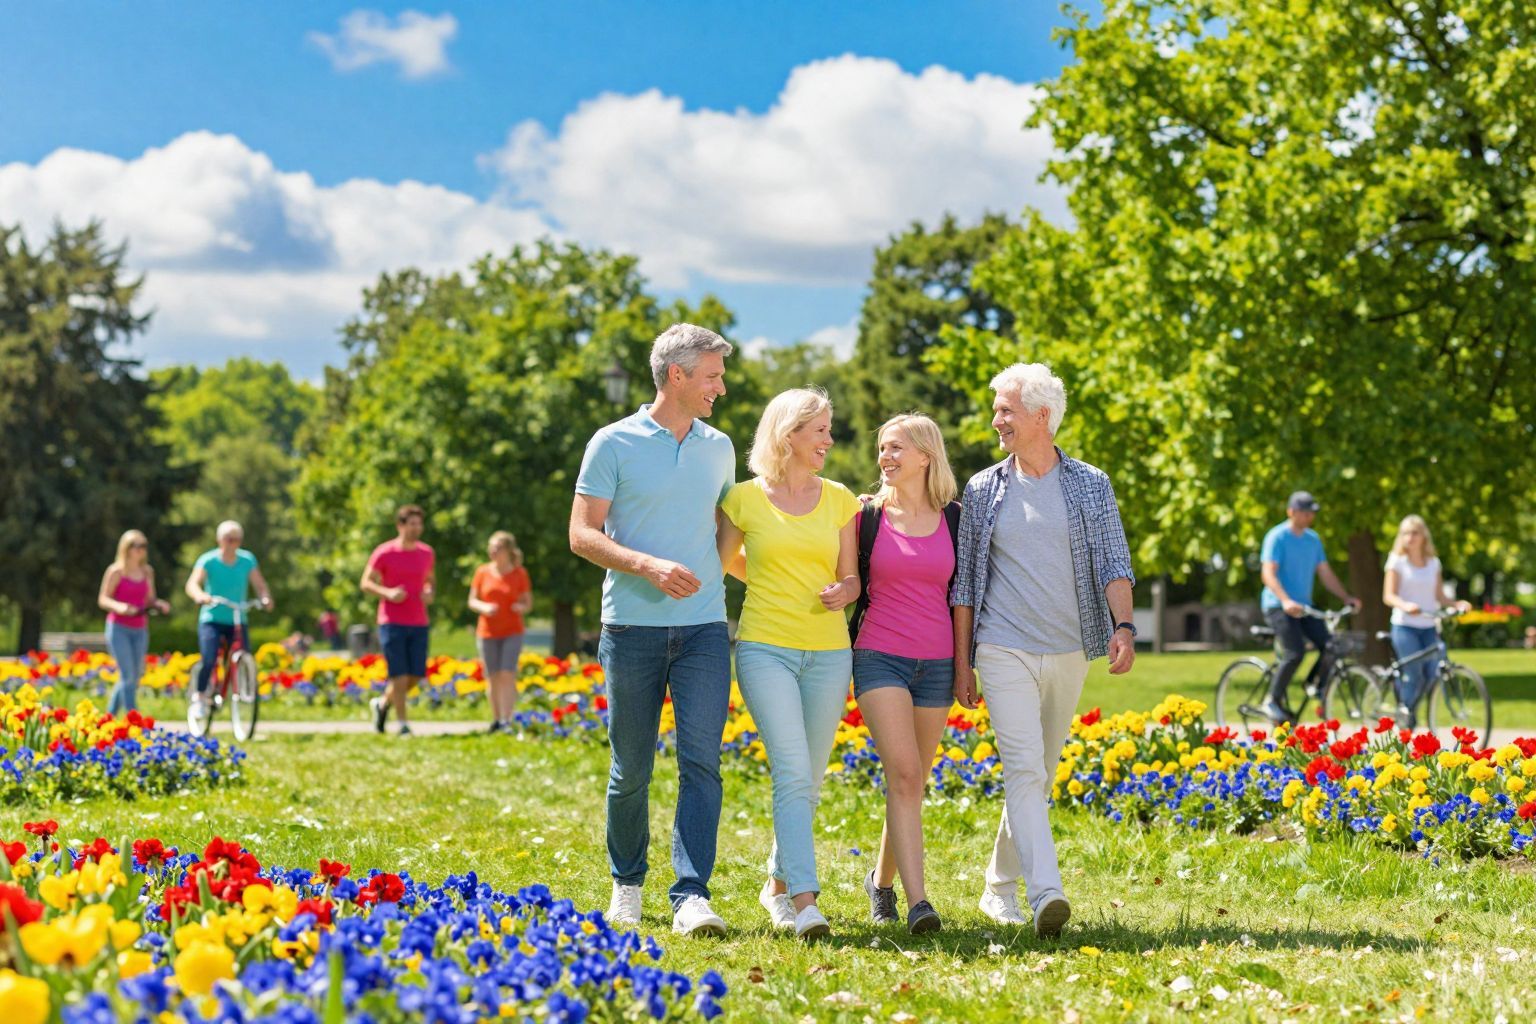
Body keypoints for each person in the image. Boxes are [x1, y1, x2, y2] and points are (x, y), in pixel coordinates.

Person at [951, 363, 1136, 938]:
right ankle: (1046, 894)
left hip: (1068, 648)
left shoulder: (1090, 483)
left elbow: (1114, 560)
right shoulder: (984, 488)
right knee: (1024, 767)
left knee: (1039, 774)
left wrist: (1124, 625)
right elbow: (964, 585)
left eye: (1005, 410)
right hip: (1002, 645)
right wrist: (964, 660)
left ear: (1041, 416)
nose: (995, 419)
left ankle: (998, 887)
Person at [570, 323, 736, 938]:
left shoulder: (719, 446)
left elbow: (725, 523)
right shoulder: (612, 443)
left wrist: (715, 576)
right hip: (631, 626)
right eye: (713, 375)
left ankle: (691, 894)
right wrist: (646, 564)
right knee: (630, 767)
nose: (720, 387)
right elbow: (581, 534)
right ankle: (628, 886)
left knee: (702, 762)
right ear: (678, 375)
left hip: (702, 630)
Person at [717, 387, 861, 940]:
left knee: (810, 779)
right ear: (788, 434)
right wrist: (771, 579)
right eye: (819, 429)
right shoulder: (745, 499)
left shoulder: (840, 499)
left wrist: (843, 590)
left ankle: (775, 885)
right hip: (765, 648)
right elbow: (721, 561)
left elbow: (851, 576)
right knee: (793, 771)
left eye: (828, 428)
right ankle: (805, 902)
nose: (829, 438)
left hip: (829, 652)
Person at [848, 414, 960, 935]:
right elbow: (843, 577)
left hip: (936, 665)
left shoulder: (955, 518)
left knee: (911, 782)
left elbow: (963, 597)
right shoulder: (864, 516)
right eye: (881, 448)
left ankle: (880, 882)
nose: (884, 457)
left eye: (895, 448)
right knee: (907, 774)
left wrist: (965, 666)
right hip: (879, 656)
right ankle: (920, 904)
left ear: (925, 455)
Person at [1258, 492, 1361, 722]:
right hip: (1278, 605)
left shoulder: (1312, 540)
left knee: (1332, 646)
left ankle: (1315, 686)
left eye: (1311, 513)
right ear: (1291, 512)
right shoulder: (1277, 537)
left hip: (1304, 606)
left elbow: (1325, 573)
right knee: (1295, 652)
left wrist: (1346, 597)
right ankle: (1271, 701)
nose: (1309, 517)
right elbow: (1268, 573)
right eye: (1305, 512)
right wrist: (1285, 600)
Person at [1382, 515, 1471, 729]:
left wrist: (1456, 604)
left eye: (1414, 533)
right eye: (1405, 533)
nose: (1410, 538)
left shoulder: (1433, 563)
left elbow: (1439, 596)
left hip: (1429, 626)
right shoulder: (1397, 561)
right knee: (1414, 674)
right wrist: (1405, 605)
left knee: (1433, 673)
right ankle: (1405, 715)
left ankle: (1409, 711)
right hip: (1405, 626)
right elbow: (1389, 595)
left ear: (1424, 536)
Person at [361, 505, 436, 737]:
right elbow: (366, 582)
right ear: (400, 525)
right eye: (412, 524)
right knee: (400, 675)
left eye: (419, 524)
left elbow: (430, 580)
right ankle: (403, 723)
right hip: (391, 621)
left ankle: (382, 704)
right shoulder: (384, 552)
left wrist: (429, 592)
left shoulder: (426, 553)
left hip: (419, 620)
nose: (416, 528)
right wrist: (388, 592)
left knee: (416, 675)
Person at [184, 521, 273, 714]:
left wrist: (265, 598)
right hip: (212, 618)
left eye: (237, 540)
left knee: (243, 655)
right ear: (219, 540)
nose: (233, 544)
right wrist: (200, 596)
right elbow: (192, 584)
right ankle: (199, 696)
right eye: (229, 539)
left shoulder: (247, 560)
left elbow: (260, 584)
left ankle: (236, 690)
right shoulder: (208, 560)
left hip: (237, 618)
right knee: (209, 658)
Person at [97, 530, 170, 715]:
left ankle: (109, 717)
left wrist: (158, 604)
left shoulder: (147, 572)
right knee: (128, 674)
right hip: (118, 628)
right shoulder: (116, 571)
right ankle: (133, 716)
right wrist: (120, 607)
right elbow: (103, 599)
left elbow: (149, 599)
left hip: (140, 629)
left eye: (143, 546)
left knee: (134, 676)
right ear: (126, 548)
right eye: (136, 546)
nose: (141, 550)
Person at [469, 531, 533, 733]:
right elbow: (472, 600)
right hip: (487, 631)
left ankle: (507, 720)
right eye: (491, 546)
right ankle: (496, 719)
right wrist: (483, 608)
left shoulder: (519, 573)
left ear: (508, 551)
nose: (493, 551)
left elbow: (528, 602)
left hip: (512, 630)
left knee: (507, 673)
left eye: (497, 547)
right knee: (492, 675)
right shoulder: (482, 572)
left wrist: (521, 608)